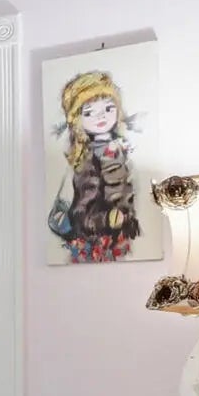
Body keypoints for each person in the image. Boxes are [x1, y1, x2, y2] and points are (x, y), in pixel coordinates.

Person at [46, 67, 141, 262]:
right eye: (89, 112)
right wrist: (75, 223)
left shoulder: (123, 152)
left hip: (120, 241)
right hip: (90, 240)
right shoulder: (81, 160)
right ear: (77, 119)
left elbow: (131, 192)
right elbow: (69, 207)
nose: (101, 117)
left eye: (108, 109)